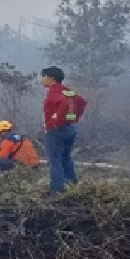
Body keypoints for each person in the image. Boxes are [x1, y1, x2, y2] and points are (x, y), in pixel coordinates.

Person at [41, 66, 88, 196]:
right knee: (66, 158)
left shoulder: (54, 92)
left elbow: (62, 105)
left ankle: (56, 191)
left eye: (43, 76)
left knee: (55, 161)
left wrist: (53, 123)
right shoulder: (67, 91)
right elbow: (81, 102)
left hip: (57, 131)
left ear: (51, 78)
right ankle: (71, 186)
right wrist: (73, 119)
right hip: (70, 129)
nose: (42, 80)